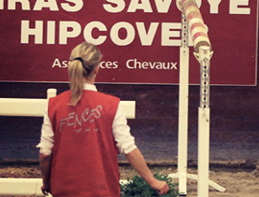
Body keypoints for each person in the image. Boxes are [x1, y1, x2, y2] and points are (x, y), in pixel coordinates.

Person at [38, 42, 170, 196]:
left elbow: (45, 153)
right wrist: (152, 180)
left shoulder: (54, 105)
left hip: (64, 189)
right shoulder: (111, 105)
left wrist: (47, 182)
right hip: (102, 189)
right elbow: (128, 148)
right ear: (96, 68)